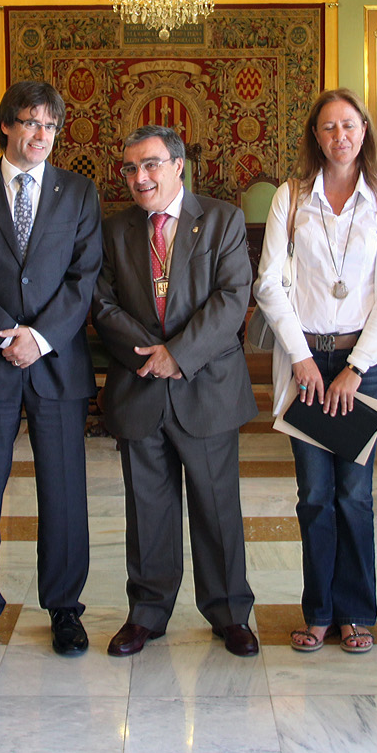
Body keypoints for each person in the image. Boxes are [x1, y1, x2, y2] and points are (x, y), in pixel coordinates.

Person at [0, 80, 103, 661]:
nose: (41, 135)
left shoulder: (78, 192)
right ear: (7, 125)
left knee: (64, 491)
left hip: (56, 363)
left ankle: (65, 609)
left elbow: (84, 275)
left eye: (50, 125)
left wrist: (40, 337)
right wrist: (5, 333)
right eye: (31, 122)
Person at [90, 125, 259, 658]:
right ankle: (146, 613)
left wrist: (178, 354)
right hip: (139, 384)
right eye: (131, 168)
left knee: (217, 508)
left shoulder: (223, 220)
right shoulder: (113, 230)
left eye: (151, 165)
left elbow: (231, 299)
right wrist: (151, 355)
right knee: (147, 511)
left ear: (178, 165)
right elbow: (102, 303)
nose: (140, 177)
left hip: (205, 386)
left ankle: (230, 613)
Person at [254, 89, 377, 654]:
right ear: (315, 136)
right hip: (306, 362)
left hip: (363, 363)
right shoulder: (291, 196)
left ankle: (356, 613)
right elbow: (268, 282)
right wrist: (300, 357)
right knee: (315, 494)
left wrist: (357, 366)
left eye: (348, 125)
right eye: (328, 127)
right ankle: (318, 611)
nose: (339, 136)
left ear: (364, 130)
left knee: (355, 496)